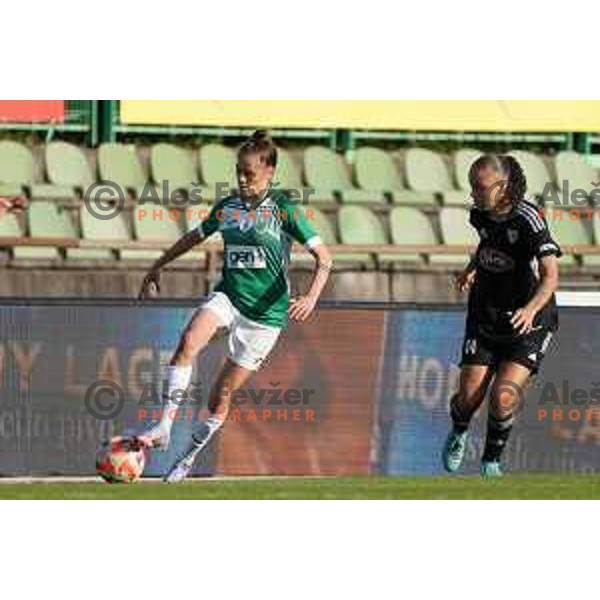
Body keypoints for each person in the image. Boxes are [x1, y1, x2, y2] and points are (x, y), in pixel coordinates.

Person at [135, 130, 332, 483]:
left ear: (269, 172)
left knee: (218, 399)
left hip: (265, 318)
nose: (242, 180)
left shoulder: (283, 208)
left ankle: (189, 455)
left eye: (249, 174)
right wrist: (158, 264)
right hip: (229, 296)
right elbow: (193, 237)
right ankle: (164, 426)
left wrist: (311, 297)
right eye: (238, 172)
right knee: (188, 342)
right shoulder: (228, 207)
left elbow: (325, 258)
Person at [442, 154, 561, 478]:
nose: (473, 195)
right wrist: (471, 269)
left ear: (503, 187)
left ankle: (491, 462)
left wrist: (530, 309)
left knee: (503, 396)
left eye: (479, 188)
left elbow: (551, 275)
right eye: (471, 188)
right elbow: (487, 245)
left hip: (529, 319)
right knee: (467, 399)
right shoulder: (480, 215)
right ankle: (460, 430)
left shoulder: (529, 218)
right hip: (486, 313)